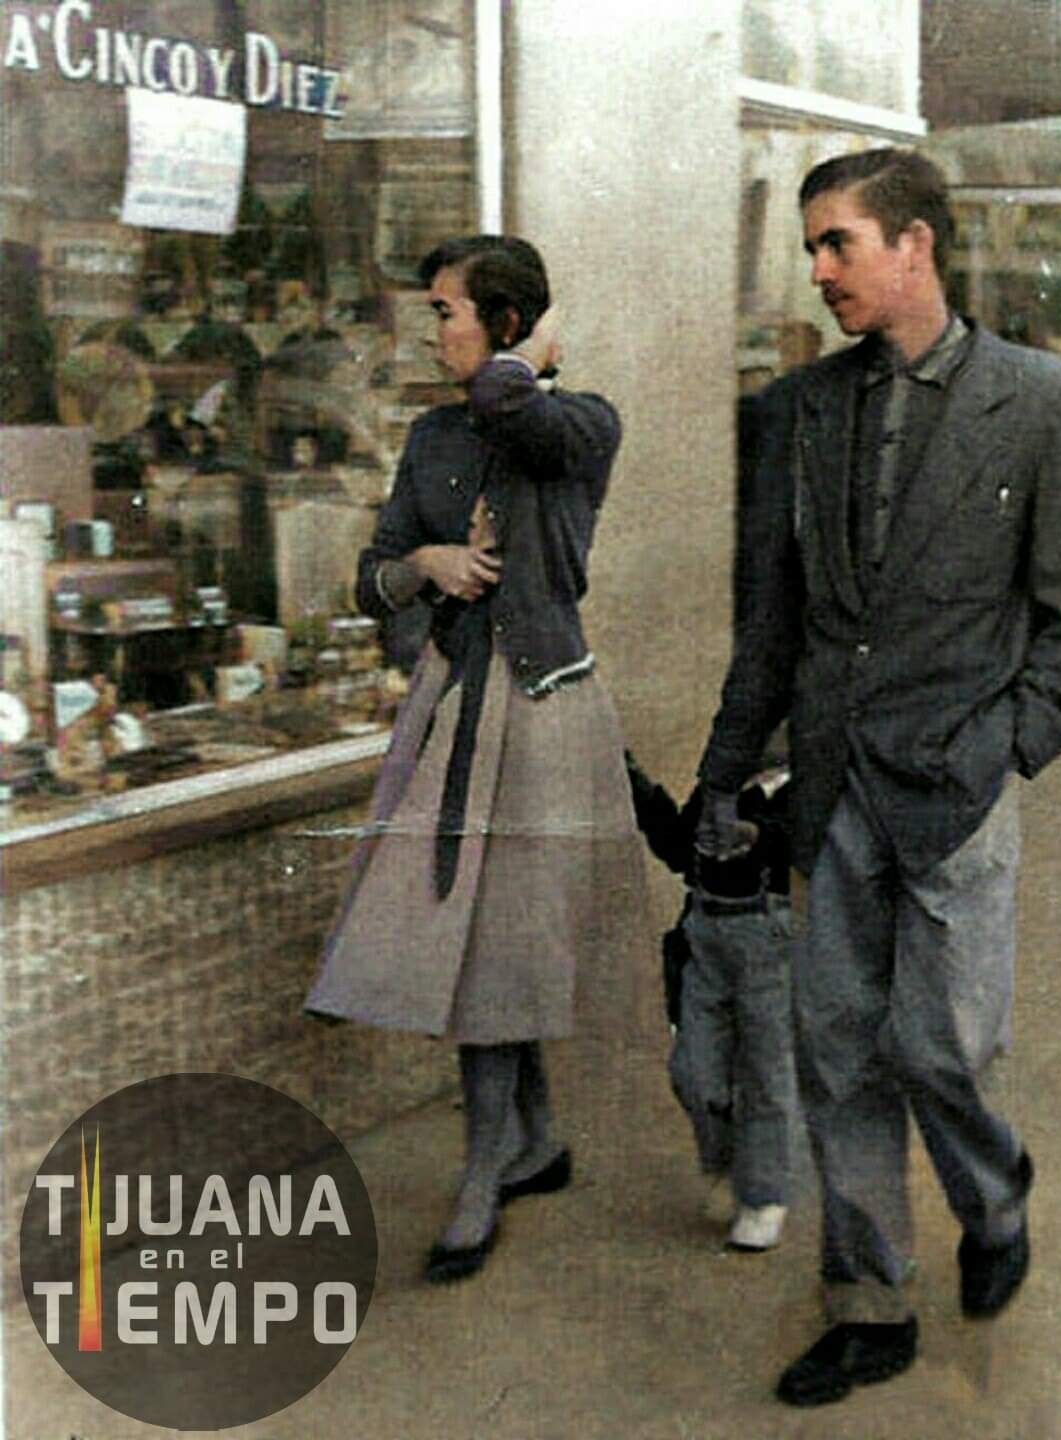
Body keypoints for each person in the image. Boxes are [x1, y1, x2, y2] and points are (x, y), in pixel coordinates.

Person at [696, 149, 1061, 1407]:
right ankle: (869, 1300)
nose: (816, 269)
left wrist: (1006, 749)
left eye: (836, 244)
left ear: (914, 246)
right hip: (829, 786)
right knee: (835, 1046)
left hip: (956, 787)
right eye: (812, 247)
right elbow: (770, 623)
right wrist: (727, 774)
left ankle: (993, 1204)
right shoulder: (801, 412)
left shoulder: (1050, 406)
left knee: (940, 1045)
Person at [306, 235, 648, 1284]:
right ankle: (526, 1143)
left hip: (538, 710)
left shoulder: (575, 423)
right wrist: (424, 563)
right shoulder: (429, 437)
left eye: (448, 311)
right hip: (454, 708)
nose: (432, 329)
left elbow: (516, 409)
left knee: (495, 943)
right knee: (477, 937)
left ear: (506, 328)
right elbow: (367, 580)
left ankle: (483, 1170)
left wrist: (533, 354)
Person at [626, 753, 796, 1251]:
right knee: (694, 1071)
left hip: (774, 943)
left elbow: (806, 846)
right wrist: (638, 788)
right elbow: (680, 849)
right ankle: (727, 1160)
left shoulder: (807, 788)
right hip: (706, 939)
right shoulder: (722, 783)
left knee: (767, 1073)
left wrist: (758, 837)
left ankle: (764, 1194)